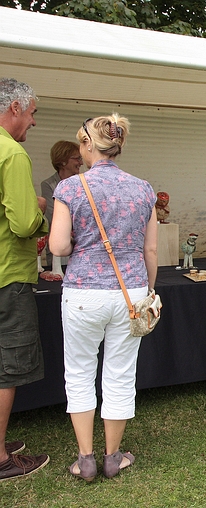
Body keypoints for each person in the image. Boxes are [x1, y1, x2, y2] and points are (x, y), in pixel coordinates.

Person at [49, 114, 158, 480]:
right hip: (130, 293)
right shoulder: (144, 189)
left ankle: (86, 458)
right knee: (120, 374)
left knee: (78, 373)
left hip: (83, 292)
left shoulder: (70, 188)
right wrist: (148, 290)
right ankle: (113, 456)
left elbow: (58, 246)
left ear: (88, 144)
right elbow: (151, 252)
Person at [0, 77, 51, 480]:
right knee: (7, 367)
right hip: (8, 275)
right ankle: (0, 457)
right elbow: (21, 224)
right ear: (15, 108)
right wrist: (39, 210)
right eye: (32, 113)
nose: (33, 122)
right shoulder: (12, 154)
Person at [40, 140, 82, 267]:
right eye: (77, 158)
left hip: (81, 250)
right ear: (63, 161)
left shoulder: (84, 183)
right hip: (58, 253)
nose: (81, 162)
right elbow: (52, 217)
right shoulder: (48, 185)